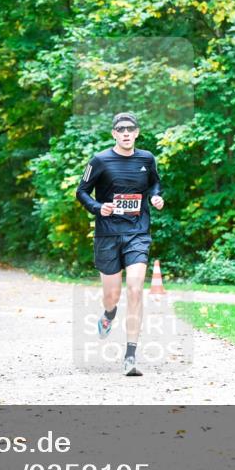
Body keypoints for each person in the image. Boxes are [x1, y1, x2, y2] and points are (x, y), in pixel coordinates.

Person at [75, 112, 164, 376]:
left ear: (137, 132)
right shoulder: (100, 160)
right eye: (120, 129)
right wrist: (98, 207)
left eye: (130, 129)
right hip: (108, 234)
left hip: (137, 232)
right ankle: (108, 314)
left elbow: (154, 183)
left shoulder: (146, 159)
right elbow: (81, 191)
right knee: (112, 296)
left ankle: (130, 356)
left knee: (135, 289)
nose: (126, 133)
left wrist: (157, 197)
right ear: (114, 133)